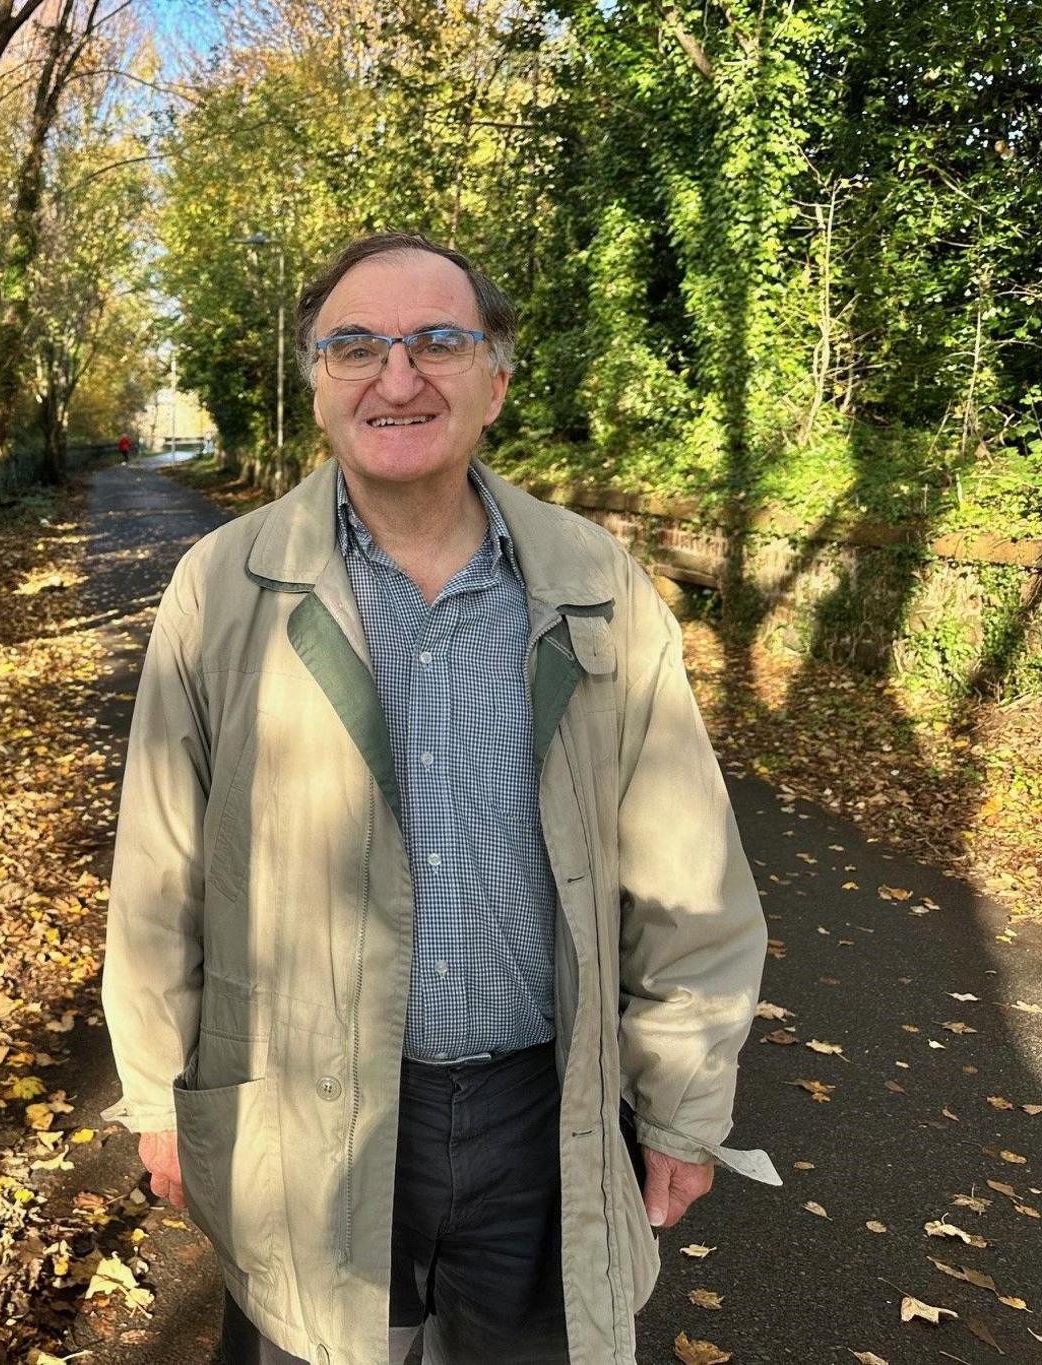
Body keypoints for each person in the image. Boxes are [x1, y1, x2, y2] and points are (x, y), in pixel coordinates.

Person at [100, 232, 778, 1365]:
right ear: (317, 382)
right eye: (355, 346)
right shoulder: (219, 587)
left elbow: (686, 872)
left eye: (436, 343)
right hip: (308, 1120)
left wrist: (681, 1107)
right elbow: (157, 873)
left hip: (540, 1119)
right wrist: (154, 1099)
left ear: (495, 381)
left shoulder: (594, 584)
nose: (396, 376)